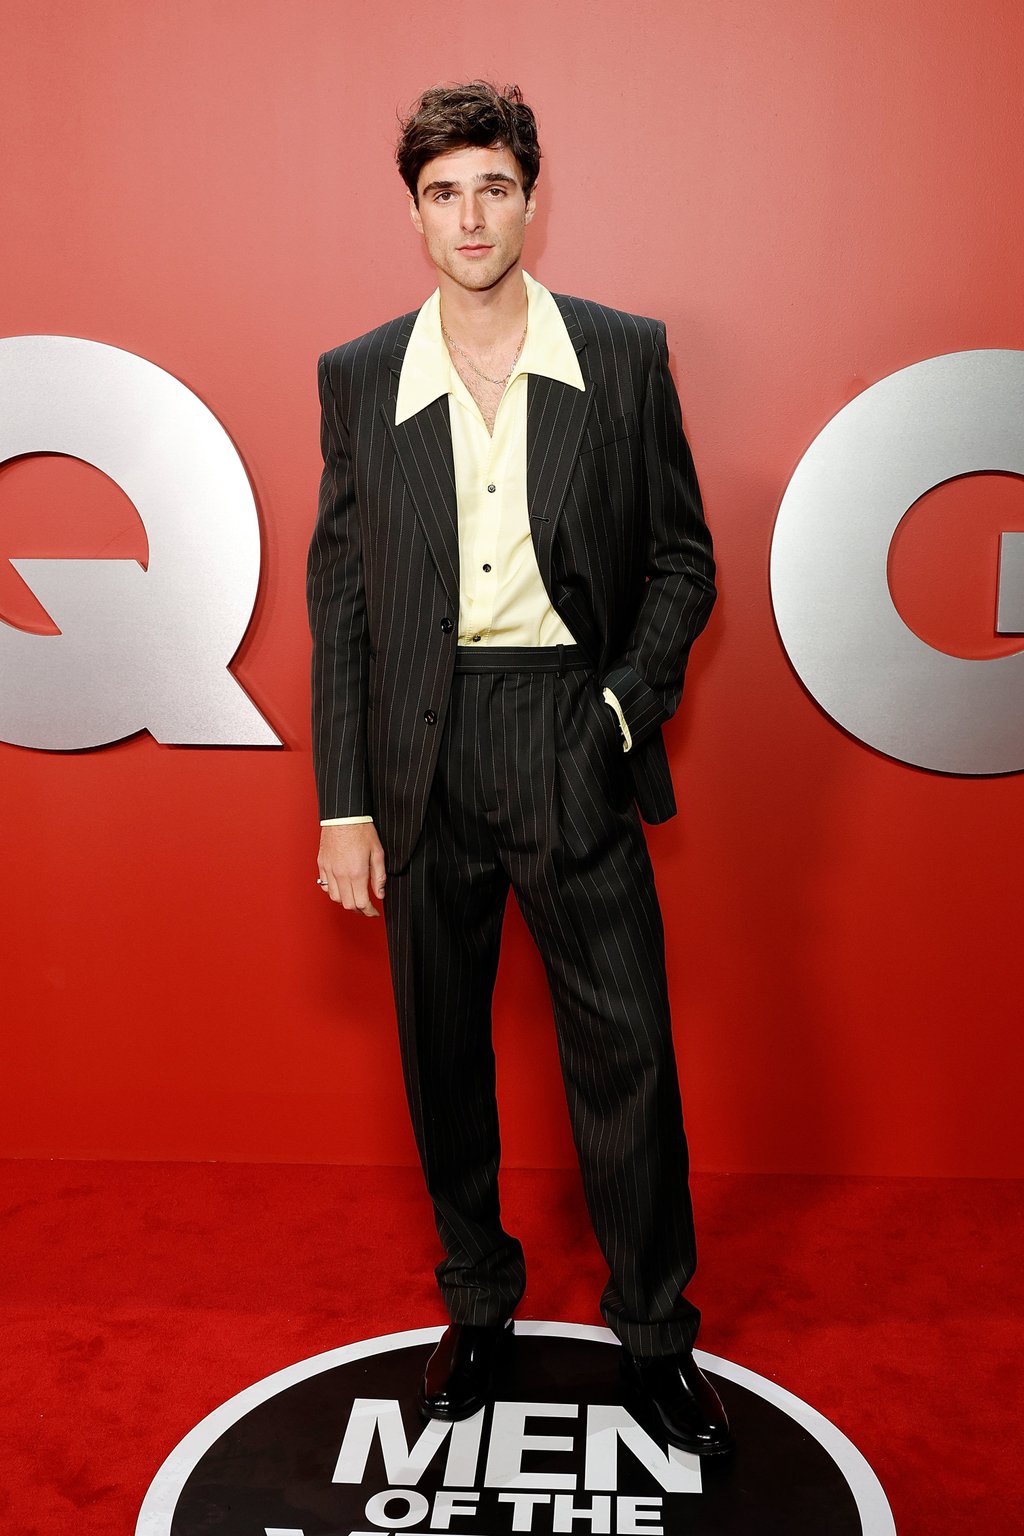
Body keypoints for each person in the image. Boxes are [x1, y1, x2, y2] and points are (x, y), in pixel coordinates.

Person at [307, 80, 729, 1456]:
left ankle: (656, 1338)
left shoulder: (621, 353)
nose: (470, 215)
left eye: (493, 186)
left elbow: (682, 559)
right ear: (416, 211)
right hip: (419, 753)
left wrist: (614, 713)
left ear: (531, 197)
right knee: (443, 1051)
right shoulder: (361, 375)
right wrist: (345, 805)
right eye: (444, 192)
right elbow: (346, 604)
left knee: (630, 1053)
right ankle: (479, 1303)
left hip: (567, 730)